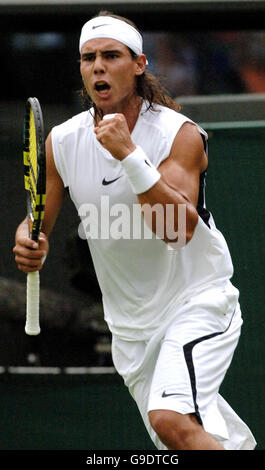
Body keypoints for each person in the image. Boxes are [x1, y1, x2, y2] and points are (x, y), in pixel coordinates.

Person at [13, 11, 256, 450]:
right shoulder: (62, 142)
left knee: (170, 420)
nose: (98, 67)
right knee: (189, 440)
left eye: (111, 56)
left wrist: (129, 155)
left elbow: (176, 230)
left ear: (139, 64)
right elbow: (37, 223)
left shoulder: (178, 134)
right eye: (88, 58)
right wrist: (29, 243)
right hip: (131, 331)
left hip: (196, 303)